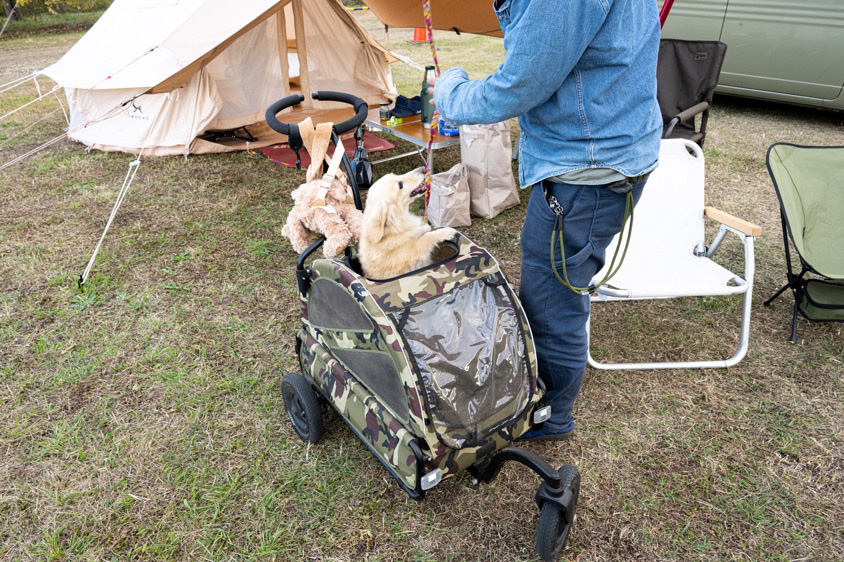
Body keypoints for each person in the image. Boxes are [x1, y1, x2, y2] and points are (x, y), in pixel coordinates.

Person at [432, 0, 662, 440]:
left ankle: (550, 414)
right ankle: (543, 399)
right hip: (608, 151)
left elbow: (520, 85)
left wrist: (451, 93)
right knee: (558, 285)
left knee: (552, 302)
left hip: (587, 165)